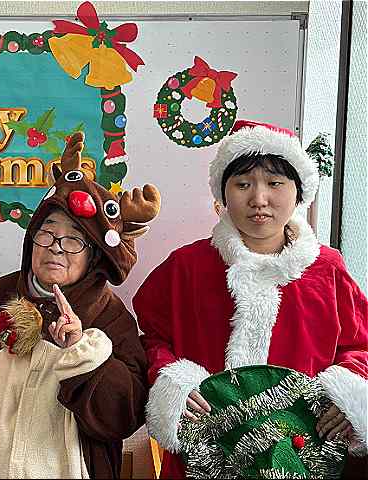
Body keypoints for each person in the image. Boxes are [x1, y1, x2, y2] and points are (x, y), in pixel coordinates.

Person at [133, 119, 367, 478]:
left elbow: (360, 345)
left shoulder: (327, 269)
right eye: (243, 184)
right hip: (205, 452)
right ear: (223, 193)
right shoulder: (186, 267)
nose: (259, 199)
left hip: (305, 454)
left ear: (299, 191)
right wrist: (174, 381)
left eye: (275, 183)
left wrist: (346, 392)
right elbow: (152, 338)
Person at [0, 132, 161, 478]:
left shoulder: (110, 316)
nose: (56, 246)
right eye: (48, 232)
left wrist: (81, 351)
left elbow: (124, 415)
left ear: (94, 254)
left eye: (73, 239)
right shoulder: (1, 294)